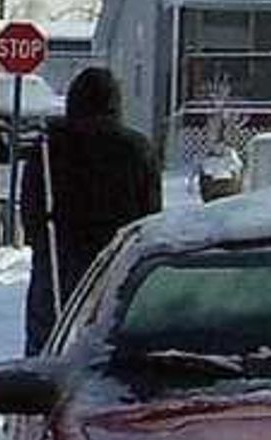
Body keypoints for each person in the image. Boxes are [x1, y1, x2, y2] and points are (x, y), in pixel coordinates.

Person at [16, 64, 162, 353]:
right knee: (109, 336)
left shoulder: (49, 147)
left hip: (60, 256)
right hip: (117, 258)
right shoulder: (136, 149)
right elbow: (151, 214)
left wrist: (40, 244)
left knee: (49, 336)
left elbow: (31, 207)